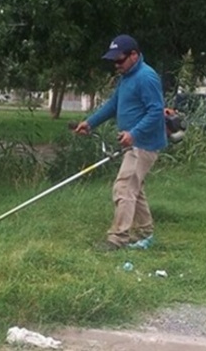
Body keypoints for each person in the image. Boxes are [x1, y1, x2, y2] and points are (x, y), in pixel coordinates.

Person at [73, 34, 167, 251]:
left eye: (120, 60)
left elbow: (156, 112)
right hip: (133, 143)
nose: (116, 65)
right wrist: (90, 123)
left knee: (124, 187)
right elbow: (113, 104)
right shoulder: (127, 77)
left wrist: (133, 133)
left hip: (143, 144)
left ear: (134, 55)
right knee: (135, 188)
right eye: (113, 61)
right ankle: (145, 233)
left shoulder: (146, 77)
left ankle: (118, 239)